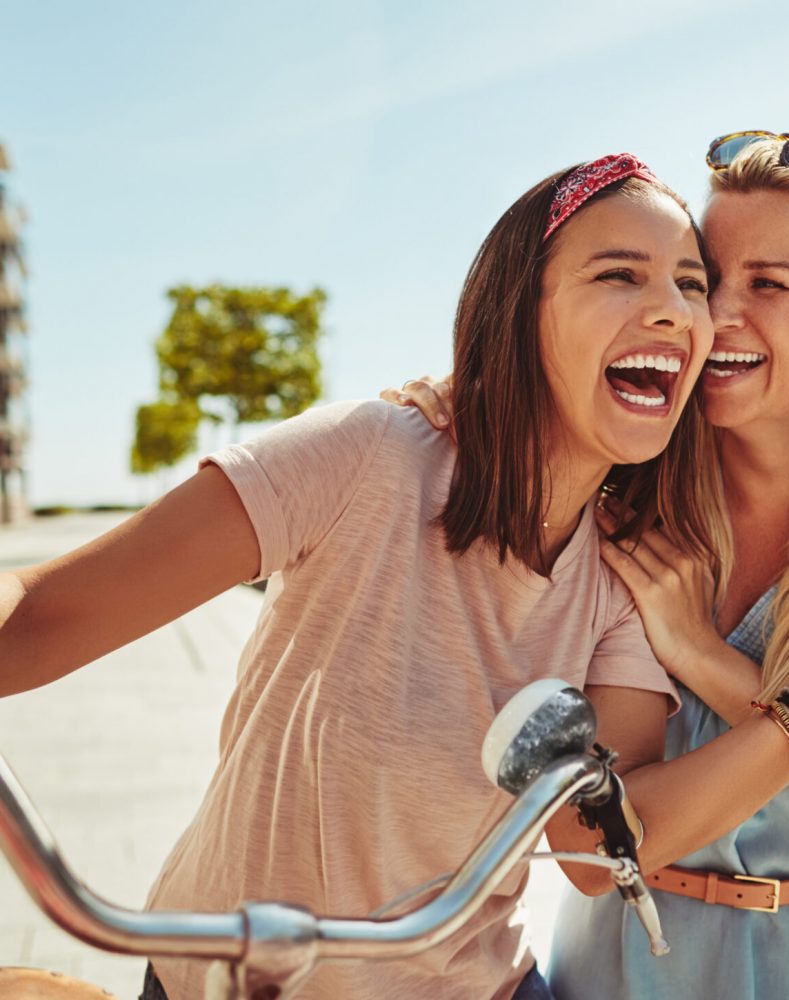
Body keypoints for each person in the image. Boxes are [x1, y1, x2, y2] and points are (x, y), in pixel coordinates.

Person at [0, 154, 706, 1000]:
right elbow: (36, 614)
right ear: (522, 312)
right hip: (233, 976)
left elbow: (599, 848)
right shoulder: (372, 454)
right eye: (619, 274)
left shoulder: (628, 572)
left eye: (691, 283)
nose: (671, 310)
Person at [382, 132, 789, 999]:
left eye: (771, 284)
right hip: (631, 959)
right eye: (710, 279)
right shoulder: (626, 484)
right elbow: (598, 846)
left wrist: (705, 659)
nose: (718, 318)